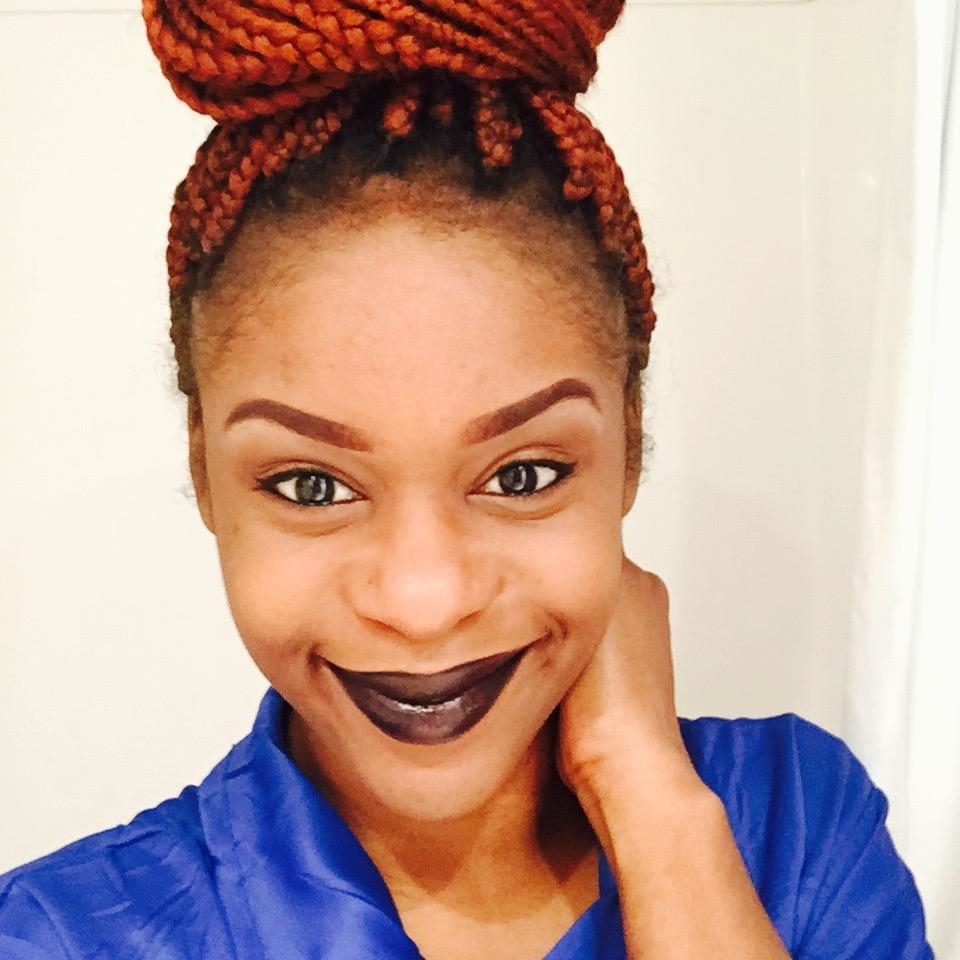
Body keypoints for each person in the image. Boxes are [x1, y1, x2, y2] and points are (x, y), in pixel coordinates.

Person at [0, 2, 935, 958]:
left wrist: (646, 792)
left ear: (628, 442)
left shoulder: (799, 834)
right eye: (314, 487)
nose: (425, 602)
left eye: (523, 475)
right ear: (205, 470)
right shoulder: (57, 936)